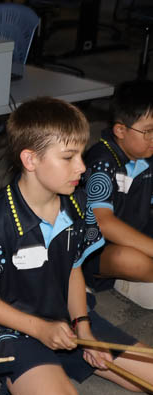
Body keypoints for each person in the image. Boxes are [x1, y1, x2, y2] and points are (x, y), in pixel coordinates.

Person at [0, 97, 153, 395]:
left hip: (64, 319)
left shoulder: (78, 204)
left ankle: (55, 366)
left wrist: (83, 328)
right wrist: (40, 330)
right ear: (30, 159)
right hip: (9, 328)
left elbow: (73, 269)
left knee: (146, 378)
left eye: (81, 155)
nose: (82, 167)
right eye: (69, 157)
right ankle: (20, 377)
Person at [81, 79, 153, 308]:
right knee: (130, 261)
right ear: (121, 130)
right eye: (149, 131)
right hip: (94, 249)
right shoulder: (101, 162)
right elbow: (103, 223)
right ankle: (122, 279)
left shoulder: (147, 156)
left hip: (135, 233)